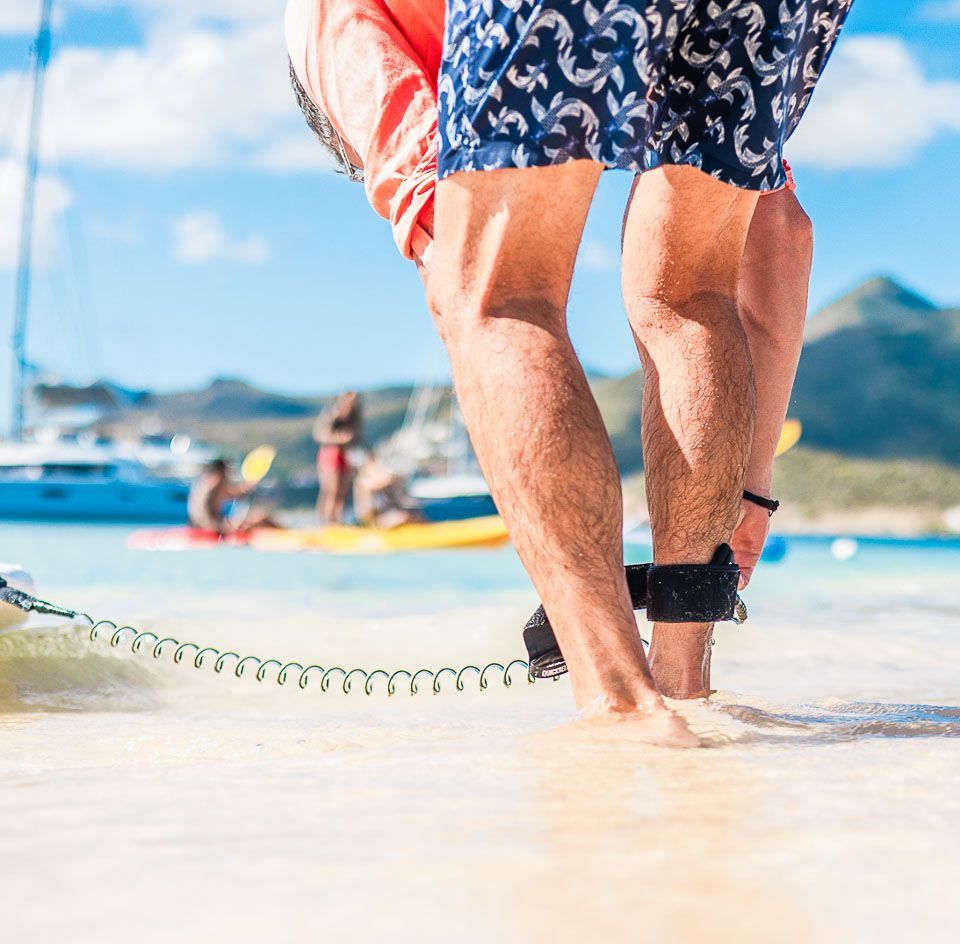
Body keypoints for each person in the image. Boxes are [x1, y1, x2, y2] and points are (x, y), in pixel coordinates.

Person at [287, 0, 851, 739]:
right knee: (688, 289)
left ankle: (620, 704)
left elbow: (459, 276)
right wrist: (749, 491)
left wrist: (566, 576)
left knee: (501, 293)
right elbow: (778, 234)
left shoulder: (328, 30)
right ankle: (684, 686)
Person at [188, 459, 281, 536]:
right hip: (209, 531)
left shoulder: (213, 487)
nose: (228, 477)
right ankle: (283, 535)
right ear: (218, 474)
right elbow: (202, 520)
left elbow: (237, 493)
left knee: (261, 517)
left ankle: (282, 533)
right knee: (260, 520)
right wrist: (226, 528)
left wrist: (249, 485)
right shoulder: (207, 492)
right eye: (226, 474)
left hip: (216, 527)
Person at [313, 390, 363, 523]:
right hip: (330, 455)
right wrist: (339, 439)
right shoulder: (332, 414)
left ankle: (336, 521)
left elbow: (357, 436)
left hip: (345, 456)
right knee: (330, 492)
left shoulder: (354, 416)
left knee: (341, 494)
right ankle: (326, 522)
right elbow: (319, 435)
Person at [353, 452, 424, 529]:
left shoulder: (382, 483)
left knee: (414, 516)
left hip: (382, 518)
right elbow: (365, 516)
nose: (380, 470)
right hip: (372, 524)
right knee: (401, 517)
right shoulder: (364, 485)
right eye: (376, 468)